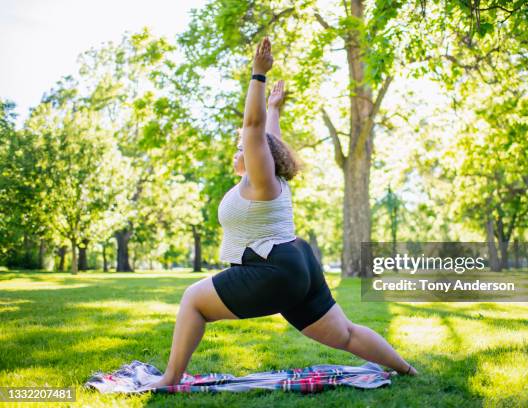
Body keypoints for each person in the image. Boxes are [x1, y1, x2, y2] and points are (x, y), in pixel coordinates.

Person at [148, 37, 418, 388]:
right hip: (296, 260)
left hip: (273, 268)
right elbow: (268, 138)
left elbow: (256, 132)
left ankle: (169, 379)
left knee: (192, 301)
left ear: (256, 154)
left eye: (240, 147)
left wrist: (257, 76)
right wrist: (275, 108)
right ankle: (408, 371)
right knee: (346, 334)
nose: (238, 150)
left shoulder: (259, 181)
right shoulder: (268, 178)